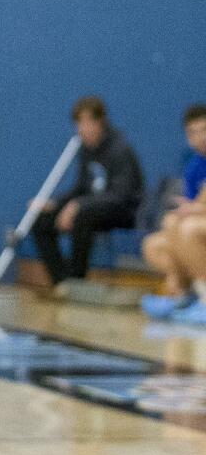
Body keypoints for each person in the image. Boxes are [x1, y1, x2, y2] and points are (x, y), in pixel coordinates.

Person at [30, 96, 144, 289]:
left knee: (82, 216)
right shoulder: (85, 150)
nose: (83, 128)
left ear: (101, 122)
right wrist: (56, 204)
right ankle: (61, 282)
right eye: (79, 123)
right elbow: (81, 188)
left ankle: (76, 280)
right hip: (90, 209)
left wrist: (78, 206)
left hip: (122, 211)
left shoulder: (120, 149)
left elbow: (120, 196)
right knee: (41, 221)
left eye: (87, 121)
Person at [141, 103, 206, 322]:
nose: (201, 137)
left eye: (204, 130)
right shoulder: (193, 167)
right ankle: (182, 293)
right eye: (194, 132)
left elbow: (198, 207)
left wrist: (197, 209)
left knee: (187, 229)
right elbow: (193, 206)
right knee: (156, 241)